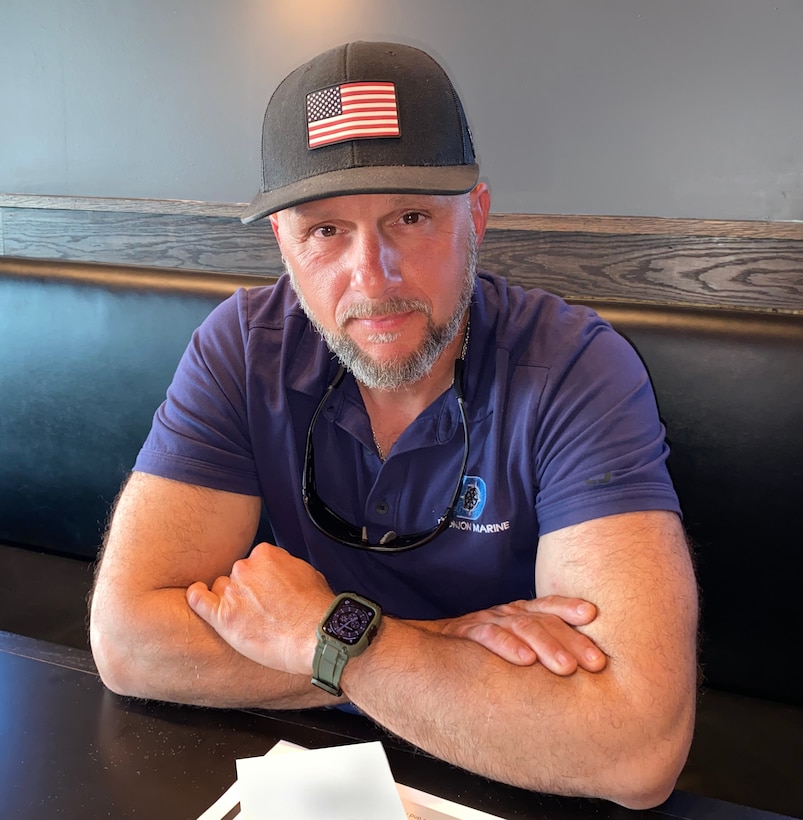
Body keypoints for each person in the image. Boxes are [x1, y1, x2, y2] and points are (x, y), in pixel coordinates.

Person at [90, 41, 698, 809]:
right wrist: (440, 640)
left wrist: (324, 633)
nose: (372, 280)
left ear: (474, 215)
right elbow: (128, 644)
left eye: (410, 217)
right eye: (325, 231)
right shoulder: (241, 347)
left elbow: (633, 746)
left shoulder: (575, 369)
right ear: (283, 240)